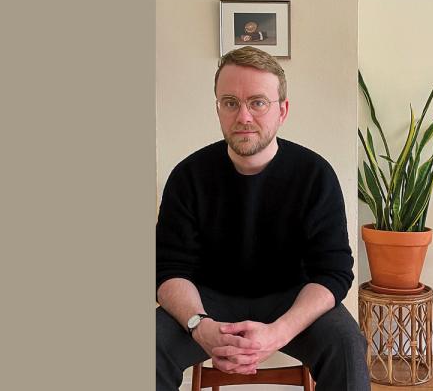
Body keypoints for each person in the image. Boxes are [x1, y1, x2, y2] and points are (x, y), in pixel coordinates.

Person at [156, 46, 370, 391]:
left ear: (282, 110)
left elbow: (332, 272)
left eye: (257, 102)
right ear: (218, 109)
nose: (243, 116)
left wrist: (279, 332)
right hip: (207, 301)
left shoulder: (314, 175)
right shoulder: (188, 176)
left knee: (346, 344)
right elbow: (168, 270)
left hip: (292, 299)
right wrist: (200, 325)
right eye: (230, 103)